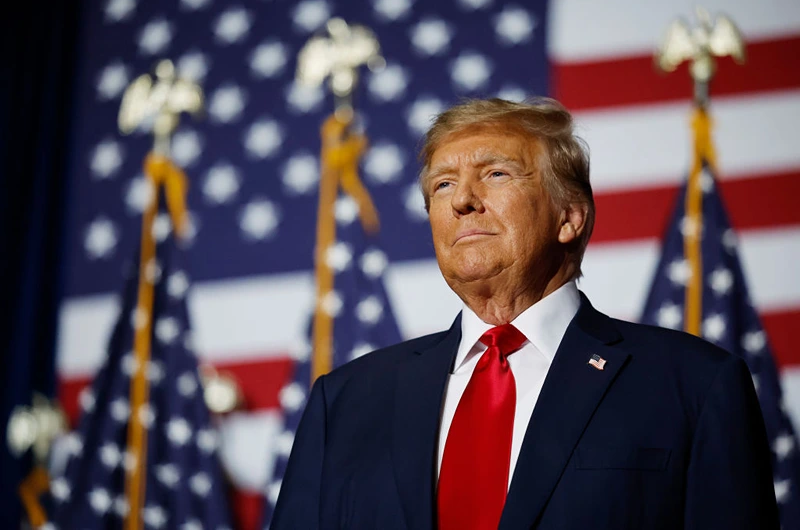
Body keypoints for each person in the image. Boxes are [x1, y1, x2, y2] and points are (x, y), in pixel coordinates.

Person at [271, 98, 778, 530]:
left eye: (495, 173)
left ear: (569, 217)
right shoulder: (345, 403)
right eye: (443, 185)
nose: (464, 200)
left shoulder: (693, 384)